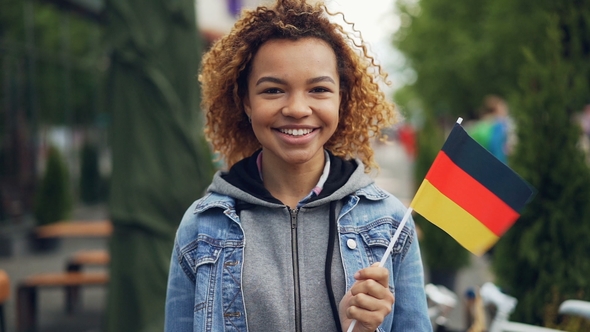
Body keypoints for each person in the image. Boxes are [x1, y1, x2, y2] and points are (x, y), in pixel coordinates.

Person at [164, 1, 431, 331]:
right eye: (273, 90)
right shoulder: (202, 226)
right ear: (246, 101)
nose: (297, 108)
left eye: (318, 89)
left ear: (341, 99)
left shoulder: (388, 222)